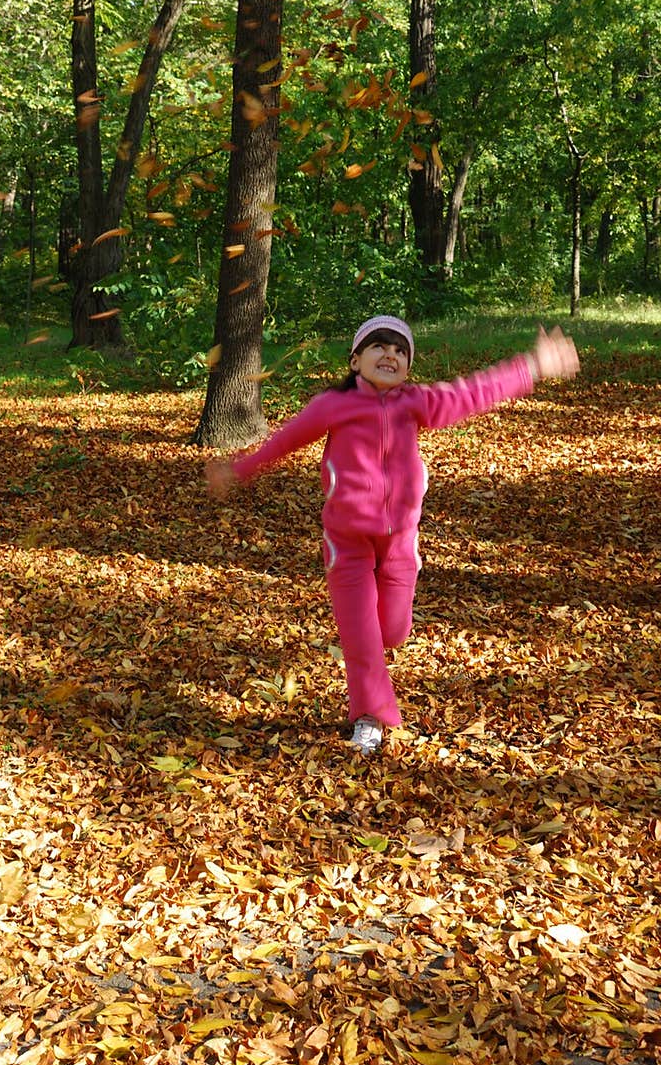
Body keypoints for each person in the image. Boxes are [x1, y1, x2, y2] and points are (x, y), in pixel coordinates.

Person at [204, 315, 580, 755]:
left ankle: (375, 660)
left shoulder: (415, 403)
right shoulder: (333, 406)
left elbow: (473, 392)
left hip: (399, 543)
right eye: (379, 346)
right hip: (347, 546)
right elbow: (284, 441)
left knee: (393, 632)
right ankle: (371, 717)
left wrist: (531, 366)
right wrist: (238, 470)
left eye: (400, 350)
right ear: (356, 360)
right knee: (363, 638)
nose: (391, 354)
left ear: (407, 366)